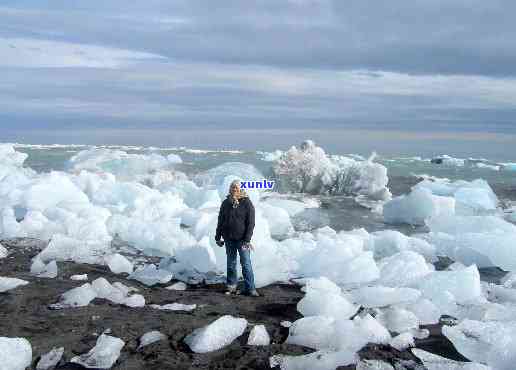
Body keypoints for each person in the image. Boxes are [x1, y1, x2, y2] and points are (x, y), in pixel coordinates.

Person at [215, 180, 259, 297]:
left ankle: (250, 288)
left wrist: (247, 239)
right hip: (228, 238)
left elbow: (251, 223)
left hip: (243, 240)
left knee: (246, 263)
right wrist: (218, 237)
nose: (234, 189)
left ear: (240, 189)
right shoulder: (225, 203)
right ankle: (231, 287)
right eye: (232, 187)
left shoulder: (247, 203)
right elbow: (220, 221)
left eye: (236, 187)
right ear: (230, 189)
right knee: (231, 263)